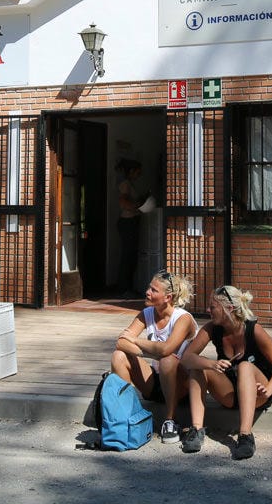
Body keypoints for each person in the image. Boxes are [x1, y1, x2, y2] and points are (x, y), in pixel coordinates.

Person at [179, 285, 272, 460]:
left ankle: (245, 435)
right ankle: (197, 429)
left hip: (259, 393)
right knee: (198, 366)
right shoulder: (211, 329)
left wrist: (269, 388)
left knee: (245, 366)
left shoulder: (254, 330)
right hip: (230, 393)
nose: (208, 310)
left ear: (228, 309)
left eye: (212, 307)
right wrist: (211, 364)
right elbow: (186, 358)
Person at [110, 271, 196, 445]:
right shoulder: (147, 313)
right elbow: (121, 342)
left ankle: (170, 421)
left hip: (181, 385)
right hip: (156, 381)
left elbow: (167, 349)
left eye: (153, 290)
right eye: (149, 287)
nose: (147, 292)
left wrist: (135, 340)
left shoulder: (183, 319)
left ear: (167, 297)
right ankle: (127, 415)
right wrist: (147, 352)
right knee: (119, 356)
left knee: (168, 360)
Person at [114, 158, 145, 295]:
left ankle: (128, 287)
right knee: (128, 255)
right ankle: (124, 288)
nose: (139, 175)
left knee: (131, 255)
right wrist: (138, 206)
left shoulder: (129, 184)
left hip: (130, 221)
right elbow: (123, 202)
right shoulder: (125, 184)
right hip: (128, 222)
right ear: (131, 171)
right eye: (137, 172)